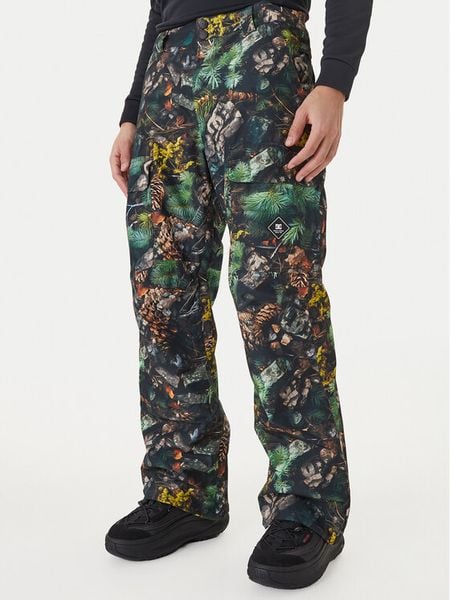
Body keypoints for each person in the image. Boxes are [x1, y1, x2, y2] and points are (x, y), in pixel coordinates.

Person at [107, 0, 372, 589]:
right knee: (162, 293)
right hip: (167, 73)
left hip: (262, 49)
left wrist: (335, 80)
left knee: (275, 292)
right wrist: (132, 110)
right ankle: (184, 487)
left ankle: (308, 504)